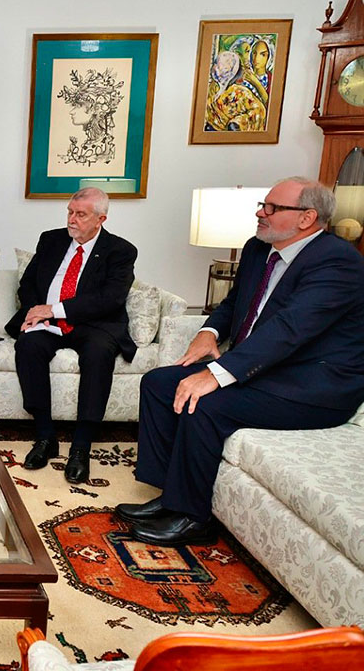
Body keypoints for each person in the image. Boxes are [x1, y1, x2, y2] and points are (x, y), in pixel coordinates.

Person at [116, 178, 364, 546]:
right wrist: (210, 332)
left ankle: (192, 518)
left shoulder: (337, 262)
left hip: (312, 387)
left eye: (272, 208)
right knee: (158, 383)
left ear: (307, 218)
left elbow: (290, 328)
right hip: (264, 371)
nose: (260, 213)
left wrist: (217, 375)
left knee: (204, 403)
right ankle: (170, 494)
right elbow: (235, 302)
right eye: (263, 205)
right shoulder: (257, 248)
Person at [6, 187, 137, 484]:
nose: (72, 219)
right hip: (47, 323)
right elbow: (27, 286)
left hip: (94, 325)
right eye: (70, 212)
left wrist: (54, 309)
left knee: (98, 353)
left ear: (100, 218)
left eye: (81, 214)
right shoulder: (51, 240)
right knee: (28, 345)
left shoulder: (121, 251)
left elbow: (110, 299)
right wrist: (33, 312)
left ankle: (81, 446)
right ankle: (45, 437)